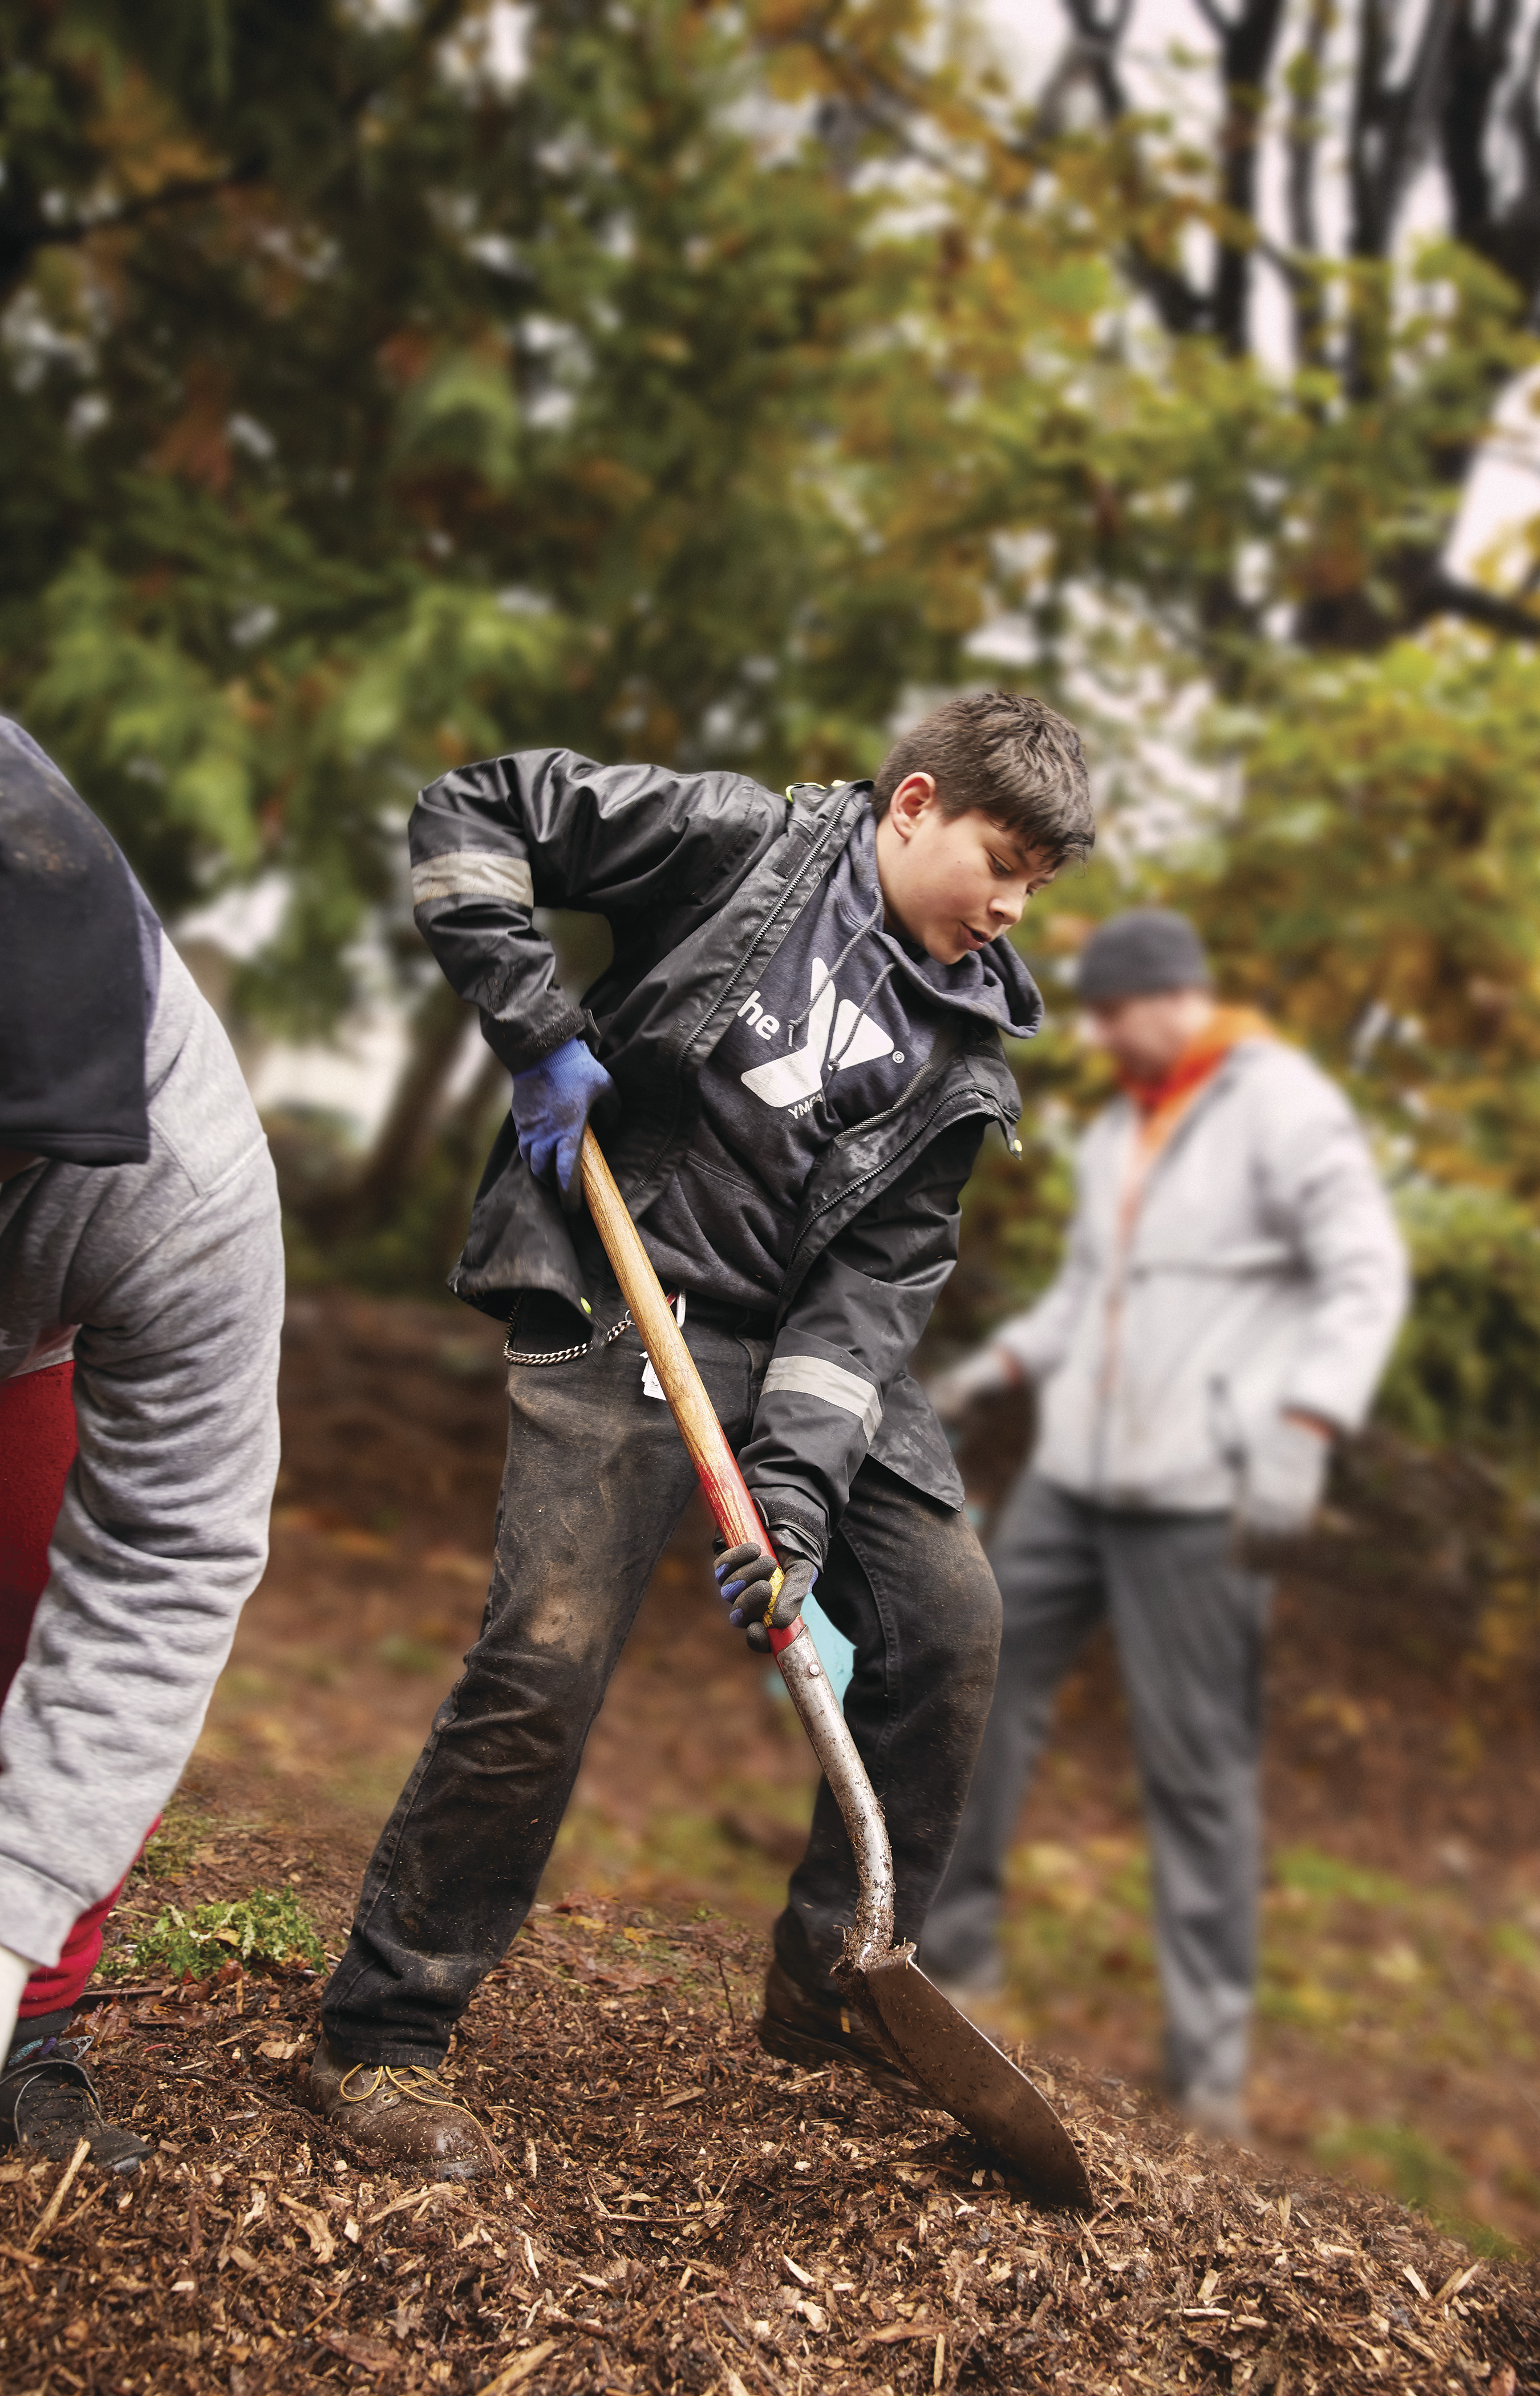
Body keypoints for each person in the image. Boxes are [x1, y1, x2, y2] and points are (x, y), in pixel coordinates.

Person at [306, 693, 1095, 2174]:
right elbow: (472, 811)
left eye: (1039, 885)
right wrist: (535, 1027)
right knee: (541, 1657)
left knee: (945, 1616)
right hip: (624, 1296)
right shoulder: (736, 844)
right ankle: (382, 2033)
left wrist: (790, 1497)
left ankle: (833, 1984)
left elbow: (870, 1295)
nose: (1009, 904)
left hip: (794, 1335)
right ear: (911, 803)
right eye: (999, 858)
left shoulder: (970, 1051)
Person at [919, 908, 1408, 2135]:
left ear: (1167, 997)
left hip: (1201, 1497)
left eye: (1108, 1012)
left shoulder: (1283, 1108)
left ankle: (1209, 2073)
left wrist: (1305, 1428)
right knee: (980, 1691)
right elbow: (1090, 1296)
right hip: (1074, 1482)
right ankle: (952, 1959)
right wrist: (997, 1371)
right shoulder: (1118, 1127)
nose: (1095, 1036)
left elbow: (1366, 1273)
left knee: (1199, 1773)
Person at [0, 721, 283, 2168]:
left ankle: (29, 2020)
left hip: (21, 1338)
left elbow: (171, 1555)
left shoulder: (182, 1173)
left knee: (30, 1603)